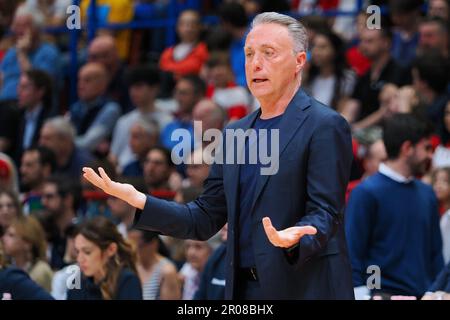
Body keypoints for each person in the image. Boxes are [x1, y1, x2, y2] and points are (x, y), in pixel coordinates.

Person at [83, 12, 354, 299]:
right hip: (243, 290)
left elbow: (325, 211)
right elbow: (203, 218)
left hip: (305, 287)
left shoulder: (325, 125)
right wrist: (139, 200)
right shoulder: (235, 132)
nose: (256, 63)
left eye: (269, 53)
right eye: (249, 54)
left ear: (299, 61)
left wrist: (296, 237)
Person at [346, 114, 444, 299]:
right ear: (407, 148)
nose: (431, 155)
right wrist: (363, 295)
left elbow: (435, 254)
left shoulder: (427, 193)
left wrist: (436, 291)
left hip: (424, 295)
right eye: (427, 148)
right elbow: (353, 251)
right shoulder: (366, 192)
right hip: (381, 294)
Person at [67, 216, 142, 300]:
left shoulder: (127, 281)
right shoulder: (77, 284)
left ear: (111, 249)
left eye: (87, 252)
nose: (79, 259)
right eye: (77, 251)